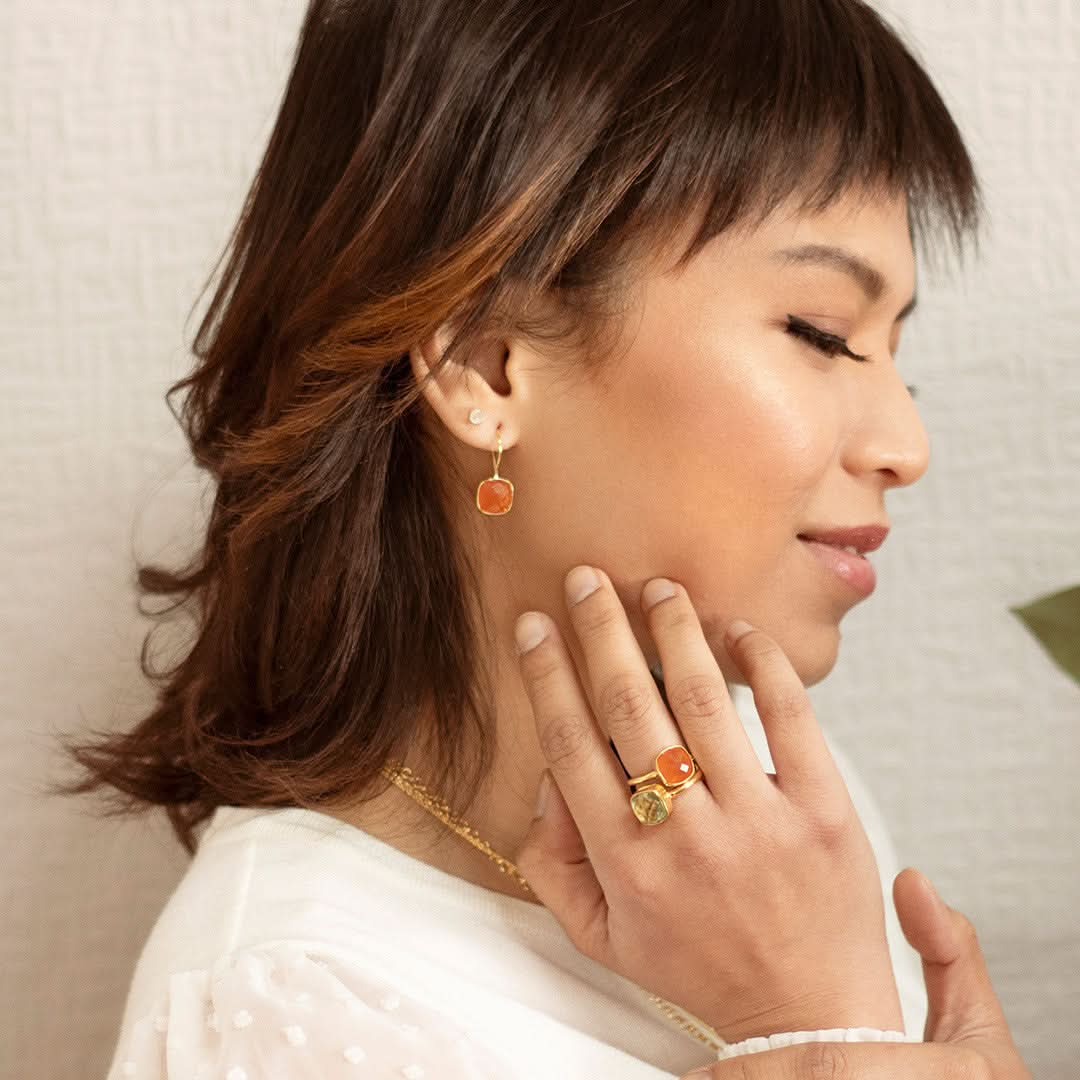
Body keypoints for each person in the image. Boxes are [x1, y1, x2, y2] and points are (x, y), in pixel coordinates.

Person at [49, 0, 1029, 1075]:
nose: (906, 443)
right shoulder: (293, 1003)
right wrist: (817, 1030)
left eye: (898, 352)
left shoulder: (756, 803)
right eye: (824, 334)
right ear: (483, 366)